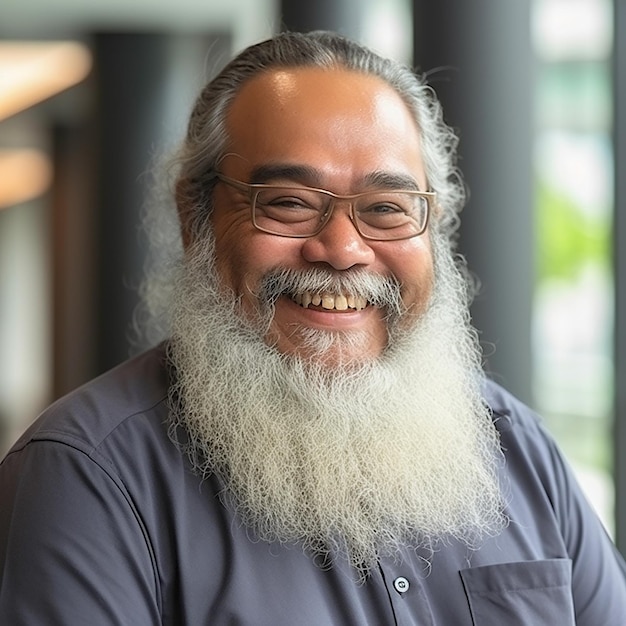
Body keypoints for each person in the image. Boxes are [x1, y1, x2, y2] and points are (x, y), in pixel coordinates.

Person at [0, 30, 625, 625]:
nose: (343, 248)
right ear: (195, 219)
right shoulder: (86, 478)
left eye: (386, 209)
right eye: (289, 203)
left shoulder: (518, 450)